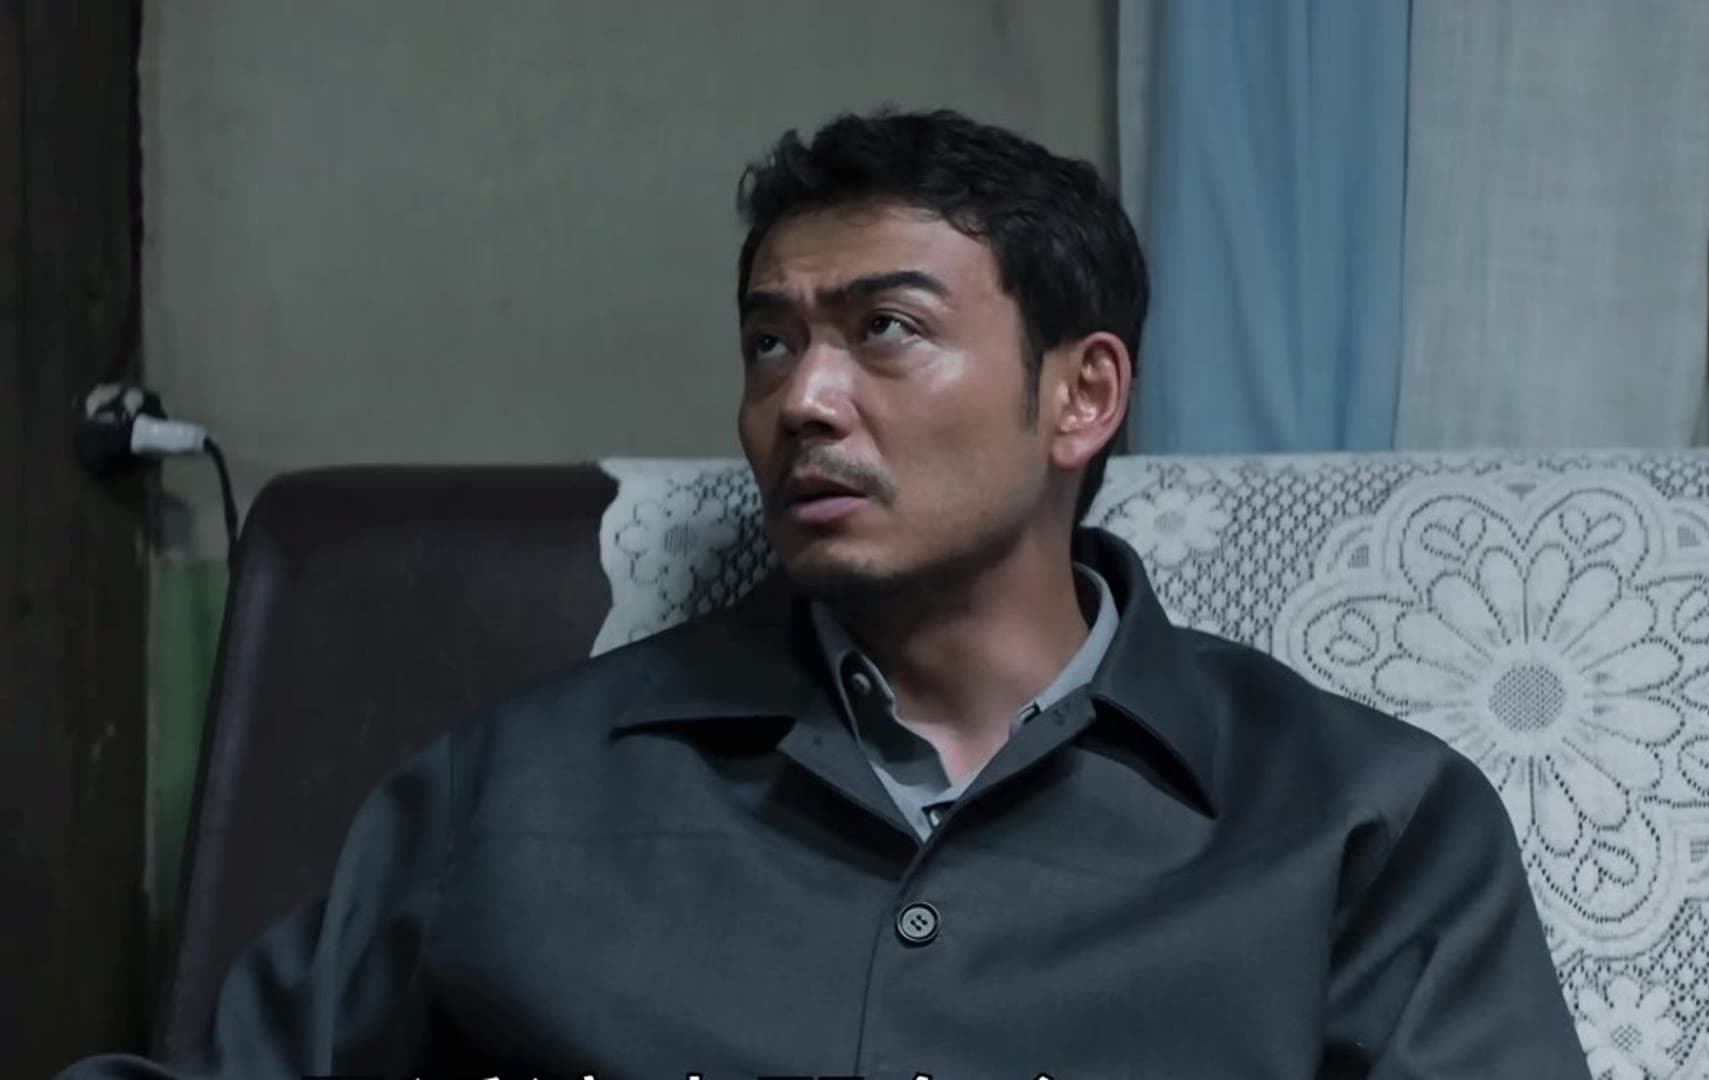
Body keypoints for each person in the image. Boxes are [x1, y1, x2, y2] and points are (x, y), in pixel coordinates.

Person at [61, 109, 1585, 1079]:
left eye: (885, 330)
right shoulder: (520, 790)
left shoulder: (1355, 824)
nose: (804, 399)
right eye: (771, 343)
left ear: (1081, 395)